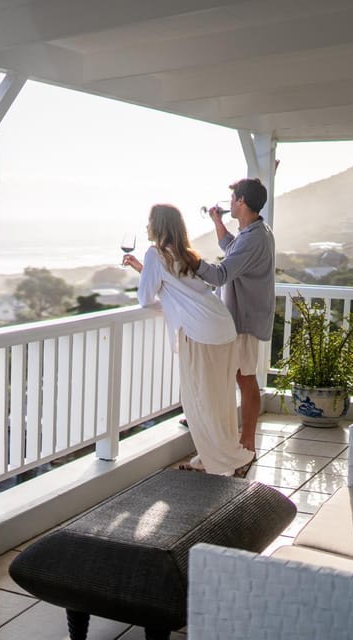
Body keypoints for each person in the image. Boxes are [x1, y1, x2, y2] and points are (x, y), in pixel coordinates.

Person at [124, 204, 255, 477]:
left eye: (149, 222)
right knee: (219, 399)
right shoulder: (187, 255)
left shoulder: (155, 254)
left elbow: (146, 298)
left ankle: (233, 459)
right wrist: (143, 269)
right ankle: (212, 459)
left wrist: (145, 270)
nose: (146, 227)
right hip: (222, 326)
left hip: (200, 333)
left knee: (199, 402)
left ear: (158, 226)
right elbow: (180, 287)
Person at [196, 178, 275, 456]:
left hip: (244, 320)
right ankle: (219, 428)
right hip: (238, 319)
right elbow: (230, 247)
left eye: (232, 199)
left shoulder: (254, 237)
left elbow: (221, 274)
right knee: (232, 375)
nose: (229, 203)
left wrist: (190, 260)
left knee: (245, 378)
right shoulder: (252, 232)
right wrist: (217, 221)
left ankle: (248, 442)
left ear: (241, 201)